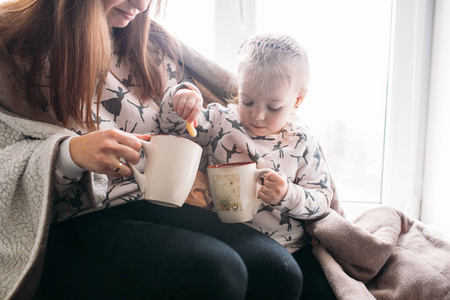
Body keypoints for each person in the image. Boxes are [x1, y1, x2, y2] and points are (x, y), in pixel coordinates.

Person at [0, 1, 303, 299]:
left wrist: (185, 102)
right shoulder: (12, 47)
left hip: (151, 202)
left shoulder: (153, 47)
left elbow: (180, 129)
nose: (142, 5)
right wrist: (69, 155)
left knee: (278, 271)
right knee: (216, 271)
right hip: (66, 222)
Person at [160, 33, 337, 299]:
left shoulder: (301, 141)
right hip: (229, 238)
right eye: (248, 101)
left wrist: (288, 194)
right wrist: (179, 103)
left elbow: (322, 201)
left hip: (292, 247)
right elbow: (174, 132)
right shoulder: (222, 120)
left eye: (274, 106)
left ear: (297, 101)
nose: (257, 115)